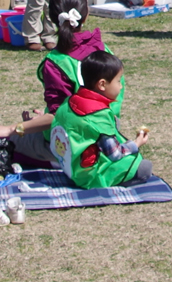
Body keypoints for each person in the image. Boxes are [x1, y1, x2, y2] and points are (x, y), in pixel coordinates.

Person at [0, 0, 109, 166]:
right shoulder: (104, 50)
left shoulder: (56, 62)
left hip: (73, 143)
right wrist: (46, 115)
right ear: (85, 15)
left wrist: (12, 129)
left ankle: (62, 162)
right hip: (107, 135)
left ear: (50, 18)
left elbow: (56, 118)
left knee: (6, 142)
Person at [47, 50, 152, 188]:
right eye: (118, 81)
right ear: (102, 84)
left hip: (68, 165)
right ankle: (106, 183)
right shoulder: (98, 115)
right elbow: (115, 154)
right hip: (87, 176)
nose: (120, 86)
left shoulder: (70, 101)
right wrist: (136, 144)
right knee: (144, 167)